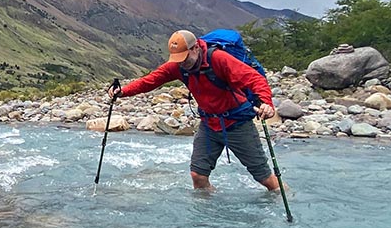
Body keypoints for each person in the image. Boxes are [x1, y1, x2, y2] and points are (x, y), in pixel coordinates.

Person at [108, 30, 280, 191]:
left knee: (264, 178)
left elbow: (254, 79)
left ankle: (284, 199)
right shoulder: (178, 65)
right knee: (198, 175)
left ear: (195, 48)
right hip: (208, 125)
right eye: (177, 59)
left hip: (237, 124)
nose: (181, 63)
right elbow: (150, 81)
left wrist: (266, 103)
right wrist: (123, 92)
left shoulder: (219, 59)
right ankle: (207, 216)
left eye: (184, 57)